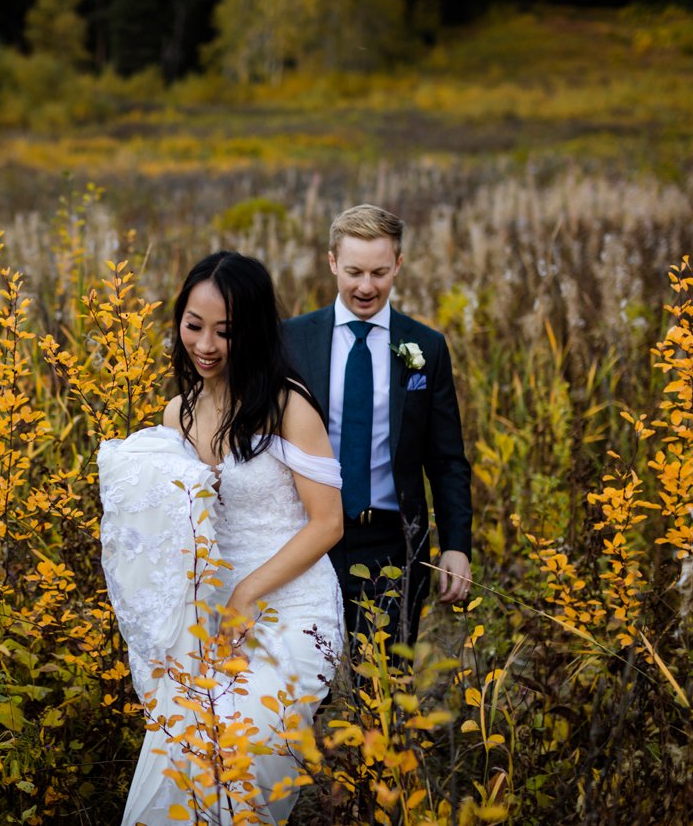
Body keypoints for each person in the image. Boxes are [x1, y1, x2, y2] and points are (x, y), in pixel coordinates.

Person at [99, 251, 345, 824]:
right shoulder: (176, 415)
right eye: (194, 325)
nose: (205, 344)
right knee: (184, 743)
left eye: (225, 331)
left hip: (291, 603)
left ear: (254, 330)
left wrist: (246, 595)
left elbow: (328, 522)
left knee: (244, 737)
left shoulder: (288, 406)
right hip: (211, 610)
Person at [282, 204, 472, 648]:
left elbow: (446, 460)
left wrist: (457, 545)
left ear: (398, 265)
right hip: (305, 536)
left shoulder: (426, 346)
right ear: (332, 262)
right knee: (305, 687)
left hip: (393, 542)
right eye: (353, 272)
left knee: (385, 689)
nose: (366, 287)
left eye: (379, 272)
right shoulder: (291, 340)